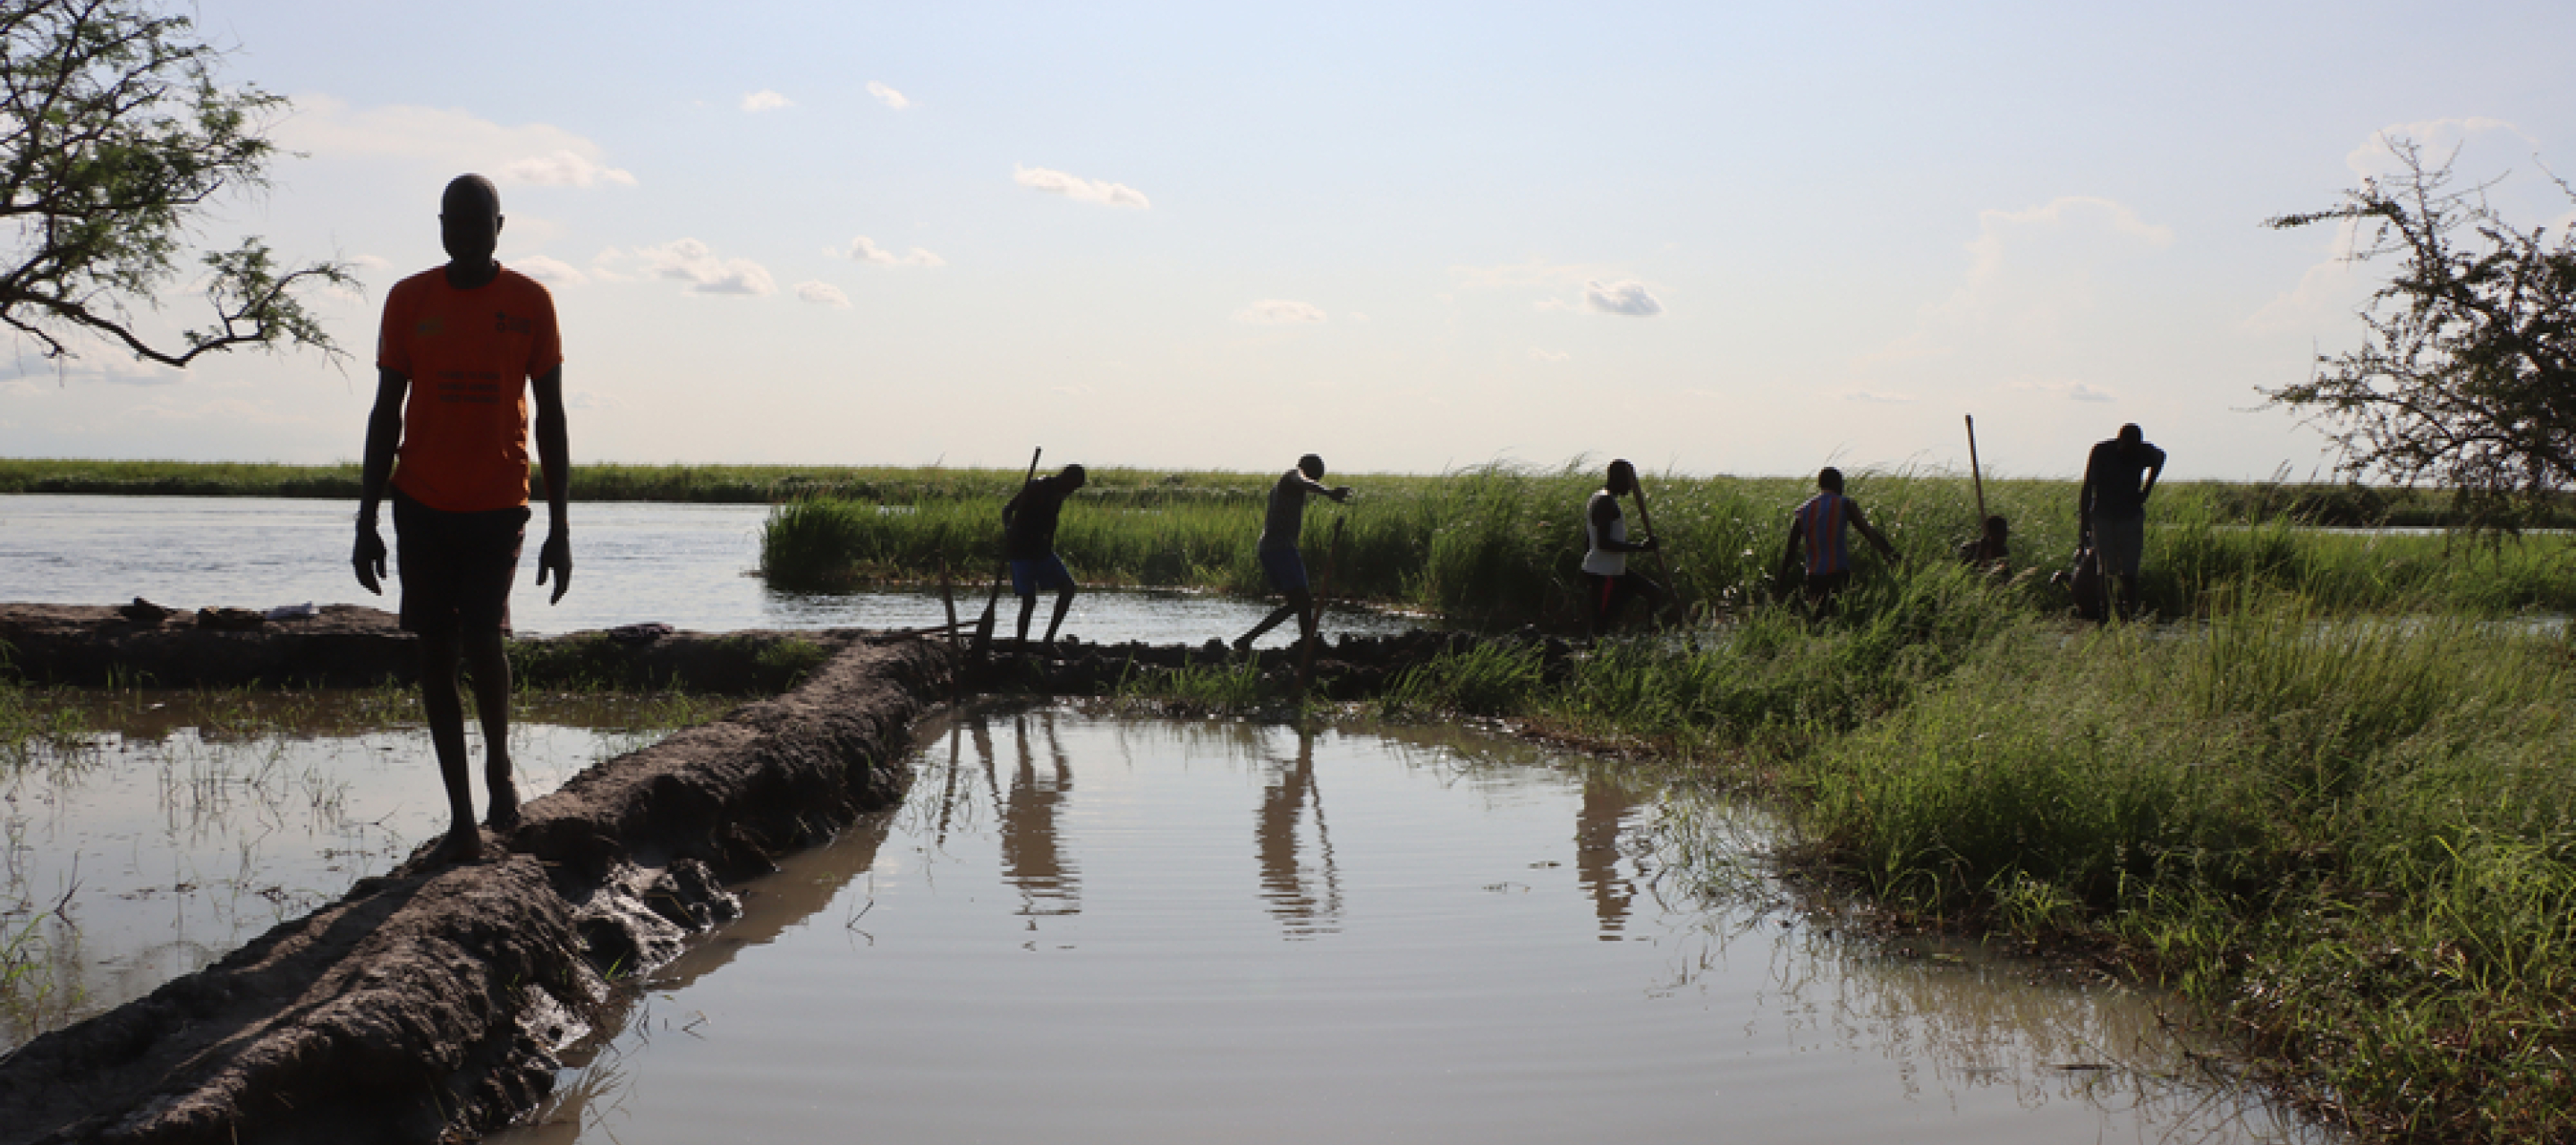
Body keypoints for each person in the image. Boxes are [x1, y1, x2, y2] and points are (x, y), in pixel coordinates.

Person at [352, 174, 571, 864]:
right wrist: (366, 518)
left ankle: (499, 768)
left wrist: (561, 528)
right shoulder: (409, 300)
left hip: (500, 501)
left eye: (480, 226)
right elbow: (386, 411)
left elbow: (554, 418)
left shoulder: (530, 303)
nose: (468, 237)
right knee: (435, 652)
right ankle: (460, 821)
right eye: (456, 224)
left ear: (499, 228)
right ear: (441, 226)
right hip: (420, 500)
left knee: (483, 640)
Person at [1235, 454, 1352, 654]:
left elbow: (1306, 484)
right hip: (1278, 548)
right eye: (1315, 476)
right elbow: (1303, 481)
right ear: (1306, 468)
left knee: (1299, 602)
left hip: (1280, 548)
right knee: (1301, 601)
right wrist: (1329, 493)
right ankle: (1302, 643)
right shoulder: (1292, 476)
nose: (1315, 481)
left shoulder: (1295, 483)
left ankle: (1301, 643)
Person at [1780, 467, 1899, 615]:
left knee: (1818, 621)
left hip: (1813, 576)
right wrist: (1891, 554)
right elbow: (1868, 532)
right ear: (1837, 484)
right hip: (1838, 573)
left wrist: (1781, 582)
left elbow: (1790, 551)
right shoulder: (1844, 504)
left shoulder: (1803, 510)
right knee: (1839, 618)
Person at [2078, 423, 2166, 620]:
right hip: (2103, 516)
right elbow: (2087, 488)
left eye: (2134, 446)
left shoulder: (2144, 452)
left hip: (2130, 517)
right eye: (2127, 446)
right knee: (2105, 571)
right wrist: (2084, 526)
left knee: (2129, 572)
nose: (2130, 451)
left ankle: (2130, 615)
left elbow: (2161, 458)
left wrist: (2146, 490)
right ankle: (2105, 615)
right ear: (2119, 441)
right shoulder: (2101, 452)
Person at [1003, 463, 1086, 653]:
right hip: (1021, 551)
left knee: (1068, 588)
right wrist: (1009, 531)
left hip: (1042, 552)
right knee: (1029, 601)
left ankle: (1047, 640)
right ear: (1065, 478)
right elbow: (1007, 510)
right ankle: (1019, 646)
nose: (1071, 492)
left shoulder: (1060, 494)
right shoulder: (1038, 487)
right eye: (1072, 487)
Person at [1580, 459, 1665, 636]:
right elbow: (1603, 543)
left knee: (1654, 593)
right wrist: (1640, 548)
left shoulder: (1605, 499)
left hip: (1613, 570)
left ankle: (1651, 636)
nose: (1632, 487)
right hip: (1603, 573)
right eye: (1630, 481)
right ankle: (1593, 654)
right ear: (1618, 479)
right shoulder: (1604, 501)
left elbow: (1589, 539)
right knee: (1600, 623)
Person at [1956, 513, 2010, 577]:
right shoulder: (1969, 548)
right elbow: (1966, 571)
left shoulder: (2002, 551)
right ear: (1991, 532)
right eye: (2002, 533)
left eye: (2006, 533)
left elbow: (2006, 576)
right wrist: (1980, 552)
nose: (2005, 537)